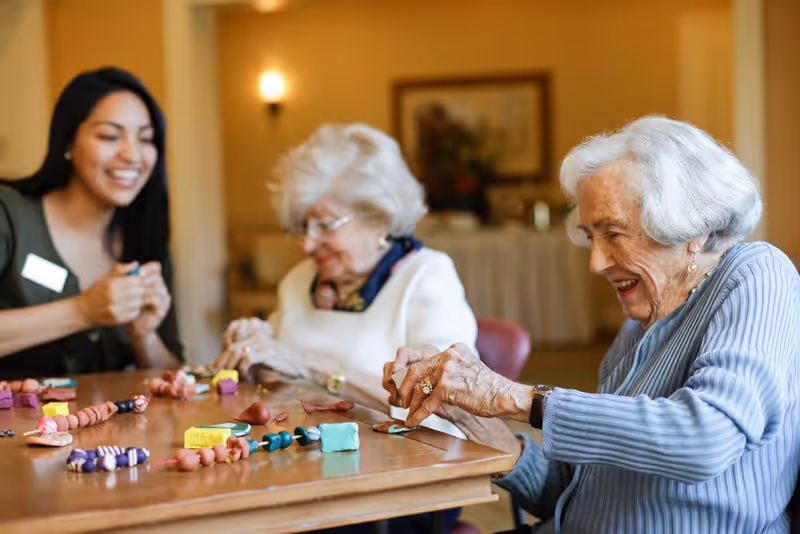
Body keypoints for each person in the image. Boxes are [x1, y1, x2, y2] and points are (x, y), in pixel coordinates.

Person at [386, 116, 800, 533]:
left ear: (692, 225)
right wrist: (474, 415)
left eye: (614, 233)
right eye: (590, 236)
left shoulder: (757, 274)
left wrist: (511, 396)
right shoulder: (641, 322)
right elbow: (572, 491)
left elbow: (706, 437)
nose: (596, 262)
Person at [213, 123, 478, 439]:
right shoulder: (299, 280)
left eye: (325, 225)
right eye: (302, 225)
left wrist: (310, 366)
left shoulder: (426, 277)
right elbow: (279, 369)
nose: (308, 244)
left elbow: (442, 396)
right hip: (302, 451)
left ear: (379, 218)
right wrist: (254, 346)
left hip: (406, 458)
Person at [0, 67, 183, 380]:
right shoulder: (10, 214)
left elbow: (172, 378)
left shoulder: (146, 241)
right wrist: (83, 311)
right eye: (110, 136)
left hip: (108, 428)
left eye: (146, 139)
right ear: (69, 141)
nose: (133, 155)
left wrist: (144, 336)